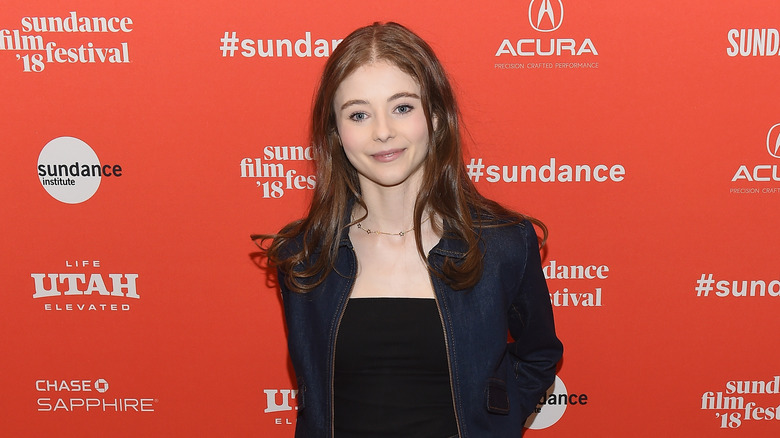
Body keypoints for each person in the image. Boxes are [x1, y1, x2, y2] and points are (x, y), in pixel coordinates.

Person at [254, 21, 562, 438]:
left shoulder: (503, 245)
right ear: (335, 133)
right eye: (359, 114)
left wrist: (496, 424)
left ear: (434, 117)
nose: (382, 131)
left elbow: (538, 355)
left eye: (402, 107)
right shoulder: (307, 255)